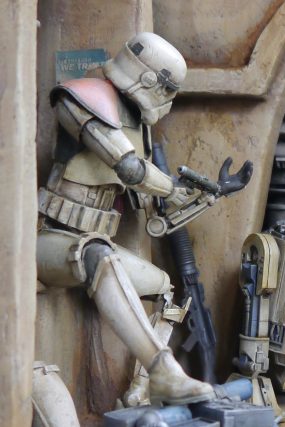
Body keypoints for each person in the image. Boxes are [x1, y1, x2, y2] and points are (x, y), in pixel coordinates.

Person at [37, 32, 214, 406]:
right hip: (48, 239)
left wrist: (185, 199)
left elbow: (139, 195)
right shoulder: (81, 97)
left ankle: (142, 390)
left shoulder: (135, 123)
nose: (167, 99)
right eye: (167, 89)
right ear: (148, 78)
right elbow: (129, 167)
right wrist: (170, 188)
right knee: (99, 254)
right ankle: (163, 369)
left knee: (164, 289)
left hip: (92, 244)